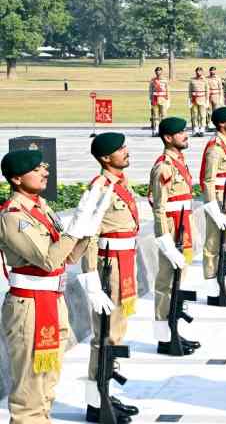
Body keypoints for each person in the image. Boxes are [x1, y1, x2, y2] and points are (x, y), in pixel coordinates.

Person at [1, 150, 104, 424]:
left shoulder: (41, 207)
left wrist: (87, 230)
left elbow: (67, 256)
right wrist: (74, 229)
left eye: (44, 168)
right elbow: (48, 259)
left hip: (51, 299)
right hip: (30, 304)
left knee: (48, 381)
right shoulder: (14, 216)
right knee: (30, 387)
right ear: (17, 178)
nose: (45, 172)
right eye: (36, 169)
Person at [82, 133, 141, 422]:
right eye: (120, 149)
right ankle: (96, 404)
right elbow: (88, 235)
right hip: (109, 268)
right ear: (106, 158)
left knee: (115, 334)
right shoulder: (99, 188)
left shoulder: (119, 183)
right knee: (104, 337)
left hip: (124, 262)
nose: (126, 151)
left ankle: (105, 393)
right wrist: (91, 278)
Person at [150, 117, 201, 355]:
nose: (185, 135)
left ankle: (174, 331)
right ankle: (164, 338)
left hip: (183, 226)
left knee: (177, 283)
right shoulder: (163, 167)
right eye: (180, 133)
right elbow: (159, 207)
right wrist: (165, 241)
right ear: (168, 138)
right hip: (171, 229)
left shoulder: (179, 162)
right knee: (167, 285)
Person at [199, 107, 226, 306]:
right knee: (213, 245)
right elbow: (208, 180)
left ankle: (221, 286)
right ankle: (213, 291)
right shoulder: (215, 148)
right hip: (217, 200)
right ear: (221, 124)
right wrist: (213, 209)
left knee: (221, 244)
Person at [149, 66, 170, 137]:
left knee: (164, 116)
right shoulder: (152, 80)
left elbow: (167, 90)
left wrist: (168, 100)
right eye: (157, 71)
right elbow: (150, 90)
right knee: (155, 116)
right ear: (155, 72)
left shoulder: (165, 80)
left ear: (161, 72)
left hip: (163, 99)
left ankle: (163, 130)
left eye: (159, 71)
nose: (158, 72)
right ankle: (156, 130)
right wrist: (150, 99)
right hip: (155, 99)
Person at [188, 67, 208, 137]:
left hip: (202, 99)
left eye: (200, 71)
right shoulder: (192, 80)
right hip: (194, 100)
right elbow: (190, 90)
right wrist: (189, 99)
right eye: (197, 71)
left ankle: (202, 129)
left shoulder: (205, 80)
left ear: (202, 72)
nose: (198, 72)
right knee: (194, 115)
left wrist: (207, 100)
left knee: (202, 115)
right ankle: (195, 129)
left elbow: (207, 91)